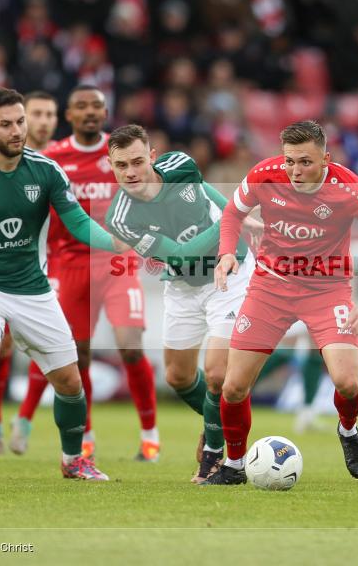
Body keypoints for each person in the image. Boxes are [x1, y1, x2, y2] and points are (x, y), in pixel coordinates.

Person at [0, 87, 122, 481]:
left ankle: (73, 460)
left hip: (32, 287)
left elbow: (77, 222)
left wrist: (116, 241)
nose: (18, 130)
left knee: (70, 379)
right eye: (7, 124)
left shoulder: (47, 169)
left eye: (20, 121)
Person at [204, 120, 358, 485]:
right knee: (233, 386)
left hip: (327, 291)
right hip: (270, 287)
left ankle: (348, 431)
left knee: (346, 382)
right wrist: (225, 254)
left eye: (306, 162)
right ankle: (234, 466)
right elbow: (233, 213)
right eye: (290, 161)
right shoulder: (265, 175)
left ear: (326, 158)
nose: (295, 171)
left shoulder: (352, 189)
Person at [10, 87, 159, 463]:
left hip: (116, 260)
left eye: (96, 106)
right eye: (82, 106)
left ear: (106, 112)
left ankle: (149, 434)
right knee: (78, 356)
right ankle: (87, 435)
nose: (90, 112)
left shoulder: (122, 155)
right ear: (69, 115)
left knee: (130, 344)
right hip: (68, 264)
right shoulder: (53, 158)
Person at [105, 124, 258, 482]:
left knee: (218, 373)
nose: (130, 172)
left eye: (137, 162)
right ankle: (217, 420)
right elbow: (179, 252)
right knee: (178, 375)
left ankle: (213, 454)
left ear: (153, 157)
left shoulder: (182, 165)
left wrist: (235, 214)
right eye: (120, 165)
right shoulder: (120, 217)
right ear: (111, 166)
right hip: (184, 283)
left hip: (229, 271)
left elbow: (204, 191)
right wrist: (230, 223)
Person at [0, 90, 59, 453]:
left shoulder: (62, 159)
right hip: (11, 263)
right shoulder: (2, 159)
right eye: (36, 114)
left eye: (49, 114)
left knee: (51, 344)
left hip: (56, 260)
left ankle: (25, 418)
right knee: (1, 344)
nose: (42, 121)